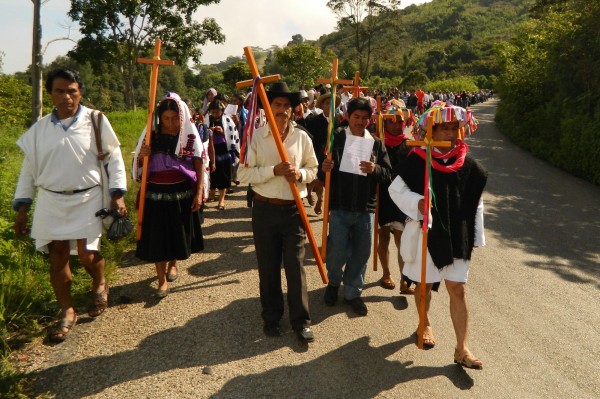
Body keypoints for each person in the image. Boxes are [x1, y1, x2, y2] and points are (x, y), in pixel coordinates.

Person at [12, 68, 127, 342]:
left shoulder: (96, 120)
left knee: (88, 254)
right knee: (58, 256)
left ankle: (99, 282)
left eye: (72, 90)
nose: (66, 96)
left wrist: (117, 193)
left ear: (80, 92)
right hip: (51, 200)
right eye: (59, 91)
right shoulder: (39, 130)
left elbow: (114, 158)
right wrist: (23, 208)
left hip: (88, 198)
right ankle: (67, 310)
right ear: (50, 94)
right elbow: (28, 171)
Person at [388, 101, 486, 369]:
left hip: (457, 235)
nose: (452, 133)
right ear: (431, 130)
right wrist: (417, 203)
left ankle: (462, 349)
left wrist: (475, 237)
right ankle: (425, 324)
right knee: (425, 285)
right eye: (445, 128)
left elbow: (476, 202)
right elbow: (395, 190)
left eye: (455, 127)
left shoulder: (468, 164)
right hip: (426, 233)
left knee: (458, 288)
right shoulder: (418, 159)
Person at [238, 82, 318, 342]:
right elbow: (242, 174)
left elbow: (313, 169)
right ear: (269, 109)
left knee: (296, 267)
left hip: (294, 210)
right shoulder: (255, 137)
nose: (282, 109)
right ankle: (271, 318)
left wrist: (300, 174)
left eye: (286, 105)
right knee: (268, 267)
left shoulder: (301, 137)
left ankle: (301, 321)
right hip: (264, 209)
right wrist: (273, 171)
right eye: (278, 105)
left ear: (293, 110)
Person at [320, 97, 392, 316]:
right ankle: (333, 284)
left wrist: (375, 168)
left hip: (365, 208)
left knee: (361, 253)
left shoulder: (377, 143)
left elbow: (388, 174)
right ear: (348, 117)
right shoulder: (336, 138)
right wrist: (325, 168)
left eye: (364, 118)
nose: (360, 122)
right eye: (356, 117)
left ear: (369, 120)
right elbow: (321, 172)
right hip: (340, 206)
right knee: (336, 250)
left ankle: (352, 293)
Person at [133, 92, 205, 297]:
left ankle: (173, 263)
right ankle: (161, 280)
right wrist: (141, 157)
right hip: (155, 193)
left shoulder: (187, 138)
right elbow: (138, 167)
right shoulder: (151, 137)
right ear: (160, 118)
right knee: (158, 236)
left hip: (180, 192)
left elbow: (199, 163)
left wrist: (198, 191)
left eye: (175, 118)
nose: (171, 123)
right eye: (166, 118)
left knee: (176, 232)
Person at [376, 99, 416, 295]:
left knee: (402, 241)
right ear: (385, 122)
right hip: (382, 197)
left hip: (402, 200)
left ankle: (404, 280)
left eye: (398, 121)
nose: (394, 124)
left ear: (403, 122)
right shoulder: (377, 143)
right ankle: (386, 274)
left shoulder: (410, 145)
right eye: (390, 121)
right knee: (383, 237)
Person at [298, 92, 341, 215]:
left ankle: (327, 206)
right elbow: (308, 136)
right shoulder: (315, 120)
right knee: (319, 179)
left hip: (335, 157)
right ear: (322, 105)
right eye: (327, 103)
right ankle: (319, 198)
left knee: (332, 183)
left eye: (332, 103)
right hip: (318, 155)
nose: (329, 105)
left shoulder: (339, 120)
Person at [205, 99, 240, 209]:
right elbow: (202, 134)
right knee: (212, 175)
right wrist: (208, 131)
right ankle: (211, 194)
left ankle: (221, 200)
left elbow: (233, 136)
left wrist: (222, 132)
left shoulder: (227, 120)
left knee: (223, 176)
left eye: (217, 112)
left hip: (224, 152)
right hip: (210, 151)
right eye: (213, 112)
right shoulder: (207, 120)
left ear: (222, 111)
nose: (215, 114)